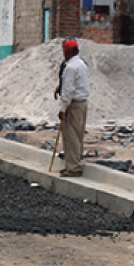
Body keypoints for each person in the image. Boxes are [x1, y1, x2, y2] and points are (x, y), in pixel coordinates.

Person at [56, 38, 89, 178]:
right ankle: (74, 163)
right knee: (78, 134)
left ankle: (73, 167)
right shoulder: (81, 64)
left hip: (74, 105)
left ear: (67, 52)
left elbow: (68, 91)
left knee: (71, 136)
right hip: (82, 103)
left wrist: (62, 109)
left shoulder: (70, 68)